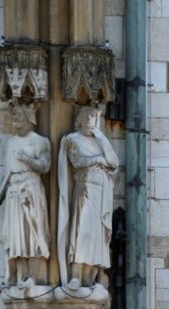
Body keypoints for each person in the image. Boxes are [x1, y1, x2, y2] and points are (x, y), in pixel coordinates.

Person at [57, 106, 119, 289]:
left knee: (96, 236)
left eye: (96, 116)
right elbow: (77, 161)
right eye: (91, 116)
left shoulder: (100, 140)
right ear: (82, 118)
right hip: (85, 188)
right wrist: (98, 159)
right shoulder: (72, 139)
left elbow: (114, 162)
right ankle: (75, 275)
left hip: (101, 192)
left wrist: (101, 137)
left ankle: (88, 278)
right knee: (83, 232)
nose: (94, 119)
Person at [0, 104, 51, 287]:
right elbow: (7, 173)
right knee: (12, 236)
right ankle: (11, 278)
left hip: (31, 189)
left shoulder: (40, 141)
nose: (14, 117)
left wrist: (26, 159)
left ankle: (32, 277)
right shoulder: (10, 142)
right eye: (13, 114)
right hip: (13, 192)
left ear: (28, 118)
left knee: (32, 235)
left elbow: (45, 167)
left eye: (18, 114)